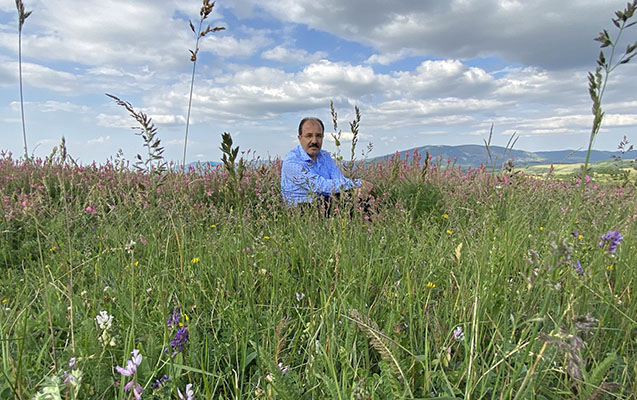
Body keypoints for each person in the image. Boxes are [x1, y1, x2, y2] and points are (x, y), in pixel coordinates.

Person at [280, 117, 374, 209]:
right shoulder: (292, 162)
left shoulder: (325, 156)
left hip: (327, 202)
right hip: (303, 209)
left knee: (362, 198)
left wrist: (356, 189)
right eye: (309, 136)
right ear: (300, 138)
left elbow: (338, 179)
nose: (314, 141)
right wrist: (358, 183)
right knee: (354, 201)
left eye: (318, 136)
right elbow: (319, 185)